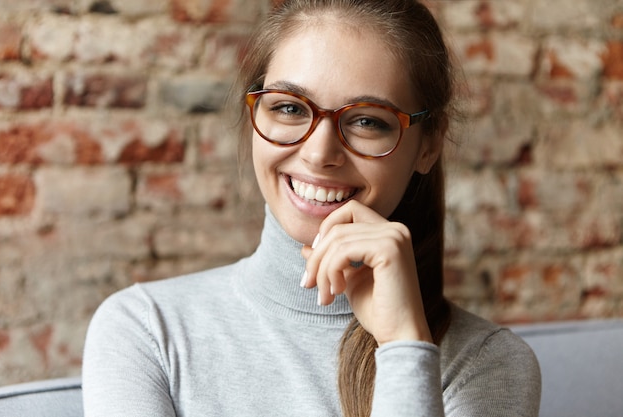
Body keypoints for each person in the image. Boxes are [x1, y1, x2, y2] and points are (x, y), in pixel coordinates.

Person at [82, 1, 541, 416]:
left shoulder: (488, 364)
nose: (320, 153)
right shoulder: (145, 330)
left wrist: (404, 345)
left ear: (429, 144)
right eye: (288, 108)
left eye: (366, 121)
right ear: (253, 117)